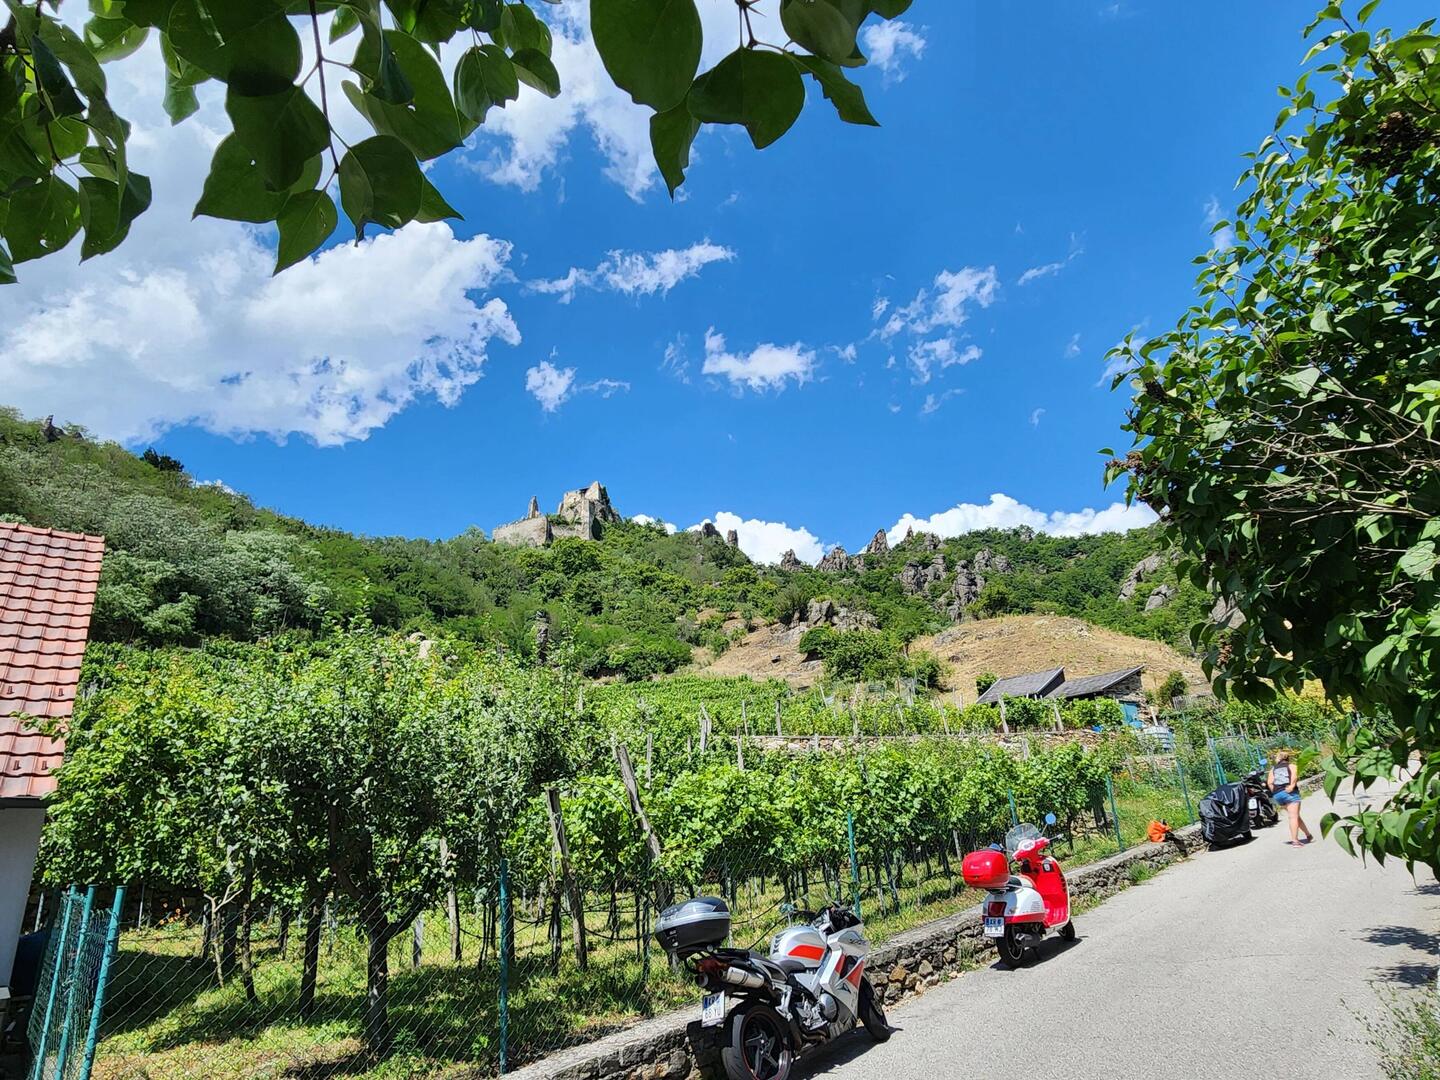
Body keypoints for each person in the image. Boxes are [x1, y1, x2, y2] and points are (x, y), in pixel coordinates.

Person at [1268, 750, 1312, 846]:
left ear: (1279, 759)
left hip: (1278, 795)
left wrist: (1275, 792)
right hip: (1290, 793)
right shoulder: (1292, 766)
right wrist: (1291, 787)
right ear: (1287, 758)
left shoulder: (1273, 769)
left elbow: (1270, 783)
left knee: (1295, 816)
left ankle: (1308, 835)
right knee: (1293, 817)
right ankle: (1295, 841)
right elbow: (1294, 777)